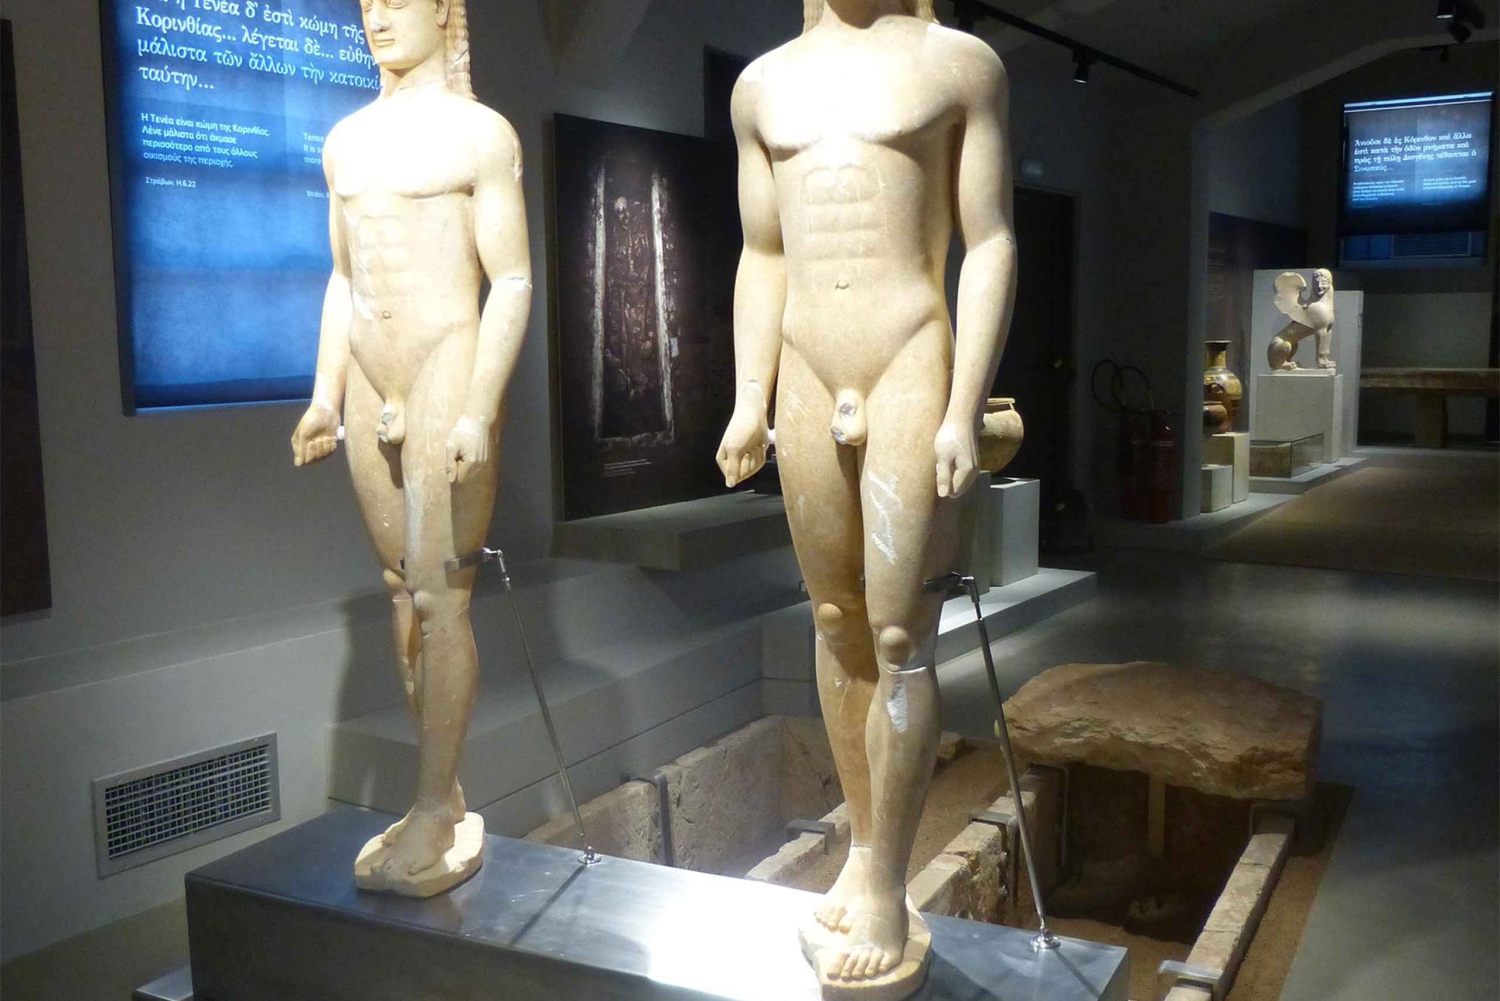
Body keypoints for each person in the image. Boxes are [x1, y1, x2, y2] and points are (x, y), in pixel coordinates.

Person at [716, 0, 1015, 983]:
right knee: (837, 618)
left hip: (909, 354)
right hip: (806, 362)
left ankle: (888, 877)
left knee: (897, 634)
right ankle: (863, 845)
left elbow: (989, 241)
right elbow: (763, 254)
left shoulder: (958, 65)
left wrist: (962, 407)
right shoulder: (762, 86)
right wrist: (747, 398)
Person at [289, 0, 531, 894]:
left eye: (397, 1)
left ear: (441, 10)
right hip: (368, 376)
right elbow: (342, 276)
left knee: (440, 594)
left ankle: (433, 805)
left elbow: (511, 278)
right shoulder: (345, 141)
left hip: (443, 364)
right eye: (367, 3)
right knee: (400, 588)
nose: (378, 17)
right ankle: (441, 789)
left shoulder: (481, 135)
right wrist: (324, 395)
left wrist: (477, 406)